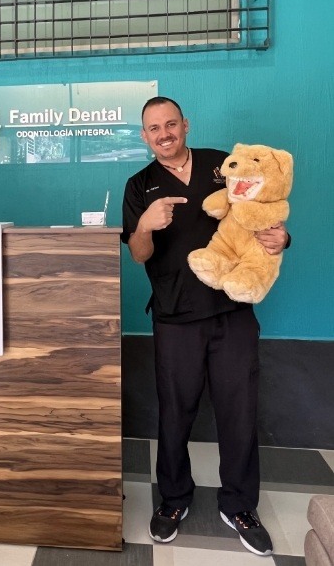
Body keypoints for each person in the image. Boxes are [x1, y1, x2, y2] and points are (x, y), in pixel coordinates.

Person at [121, 96, 289, 557]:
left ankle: (238, 505)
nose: (163, 134)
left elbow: (267, 205)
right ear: (144, 136)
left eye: (170, 124)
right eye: (153, 128)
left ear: (185, 125)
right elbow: (138, 255)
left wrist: (282, 237)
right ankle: (173, 500)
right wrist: (146, 227)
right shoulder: (139, 185)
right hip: (176, 317)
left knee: (239, 412)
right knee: (175, 413)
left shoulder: (223, 165)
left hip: (232, 311)